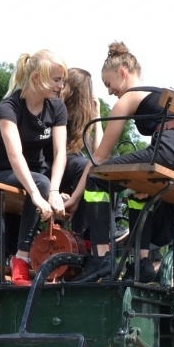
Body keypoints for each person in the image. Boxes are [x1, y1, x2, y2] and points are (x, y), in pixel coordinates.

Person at [75, 41, 174, 282]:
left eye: (109, 84)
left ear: (122, 73)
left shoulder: (130, 97)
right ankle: (143, 262)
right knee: (140, 192)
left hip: (173, 153)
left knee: (97, 176)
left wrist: (75, 197)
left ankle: (101, 257)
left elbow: (100, 156)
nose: (109, 91)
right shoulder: (164, 92)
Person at [0, 50, 70, 286]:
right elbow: (15, 156)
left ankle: (64, 265)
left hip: (39, 177)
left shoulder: (56, 108)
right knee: (41, 183)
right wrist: (37, 195)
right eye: (56, 80)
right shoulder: (9, 108)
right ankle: (21, 260)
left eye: (62, 79)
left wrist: (53, 192)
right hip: (5, 173)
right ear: (36, 78)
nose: (61, 85)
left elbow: (61, 153)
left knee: (62, 190)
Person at [59, 68, 103, 237]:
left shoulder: (79, 119)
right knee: (84, 165)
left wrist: (97, 117)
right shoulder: (56, 109)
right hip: (55, 166)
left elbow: (98, 153)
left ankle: (96, 231)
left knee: (102, 168)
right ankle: (80, 233)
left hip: (73, 173)